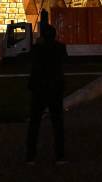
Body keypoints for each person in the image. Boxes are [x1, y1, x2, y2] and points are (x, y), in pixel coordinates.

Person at [25, 24, 67, 165]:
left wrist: (38, 44)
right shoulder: (60, 48)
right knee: (58, 124)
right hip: (55, 89)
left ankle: (31, 157)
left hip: (39, 90)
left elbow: (31, 61)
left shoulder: (37, 49)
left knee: (34, 124)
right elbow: (64, 62)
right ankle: (60, 156)